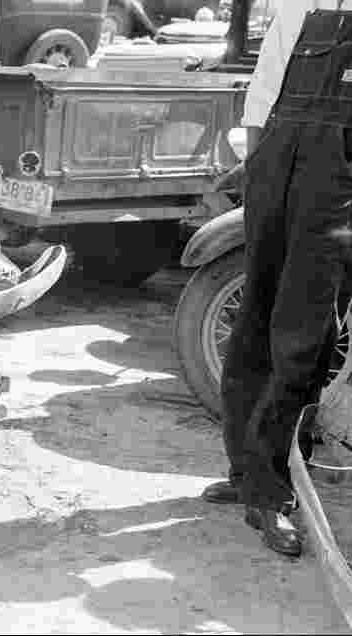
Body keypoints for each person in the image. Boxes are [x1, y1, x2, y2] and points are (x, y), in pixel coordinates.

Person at [202, 0, 349, 557]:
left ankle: (273, 490)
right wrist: (257, 163)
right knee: (255, 320)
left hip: (338, 176)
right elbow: (266, 83)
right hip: (278, 153)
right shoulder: (297, 2)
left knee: (302, 335)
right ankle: (245, 471)